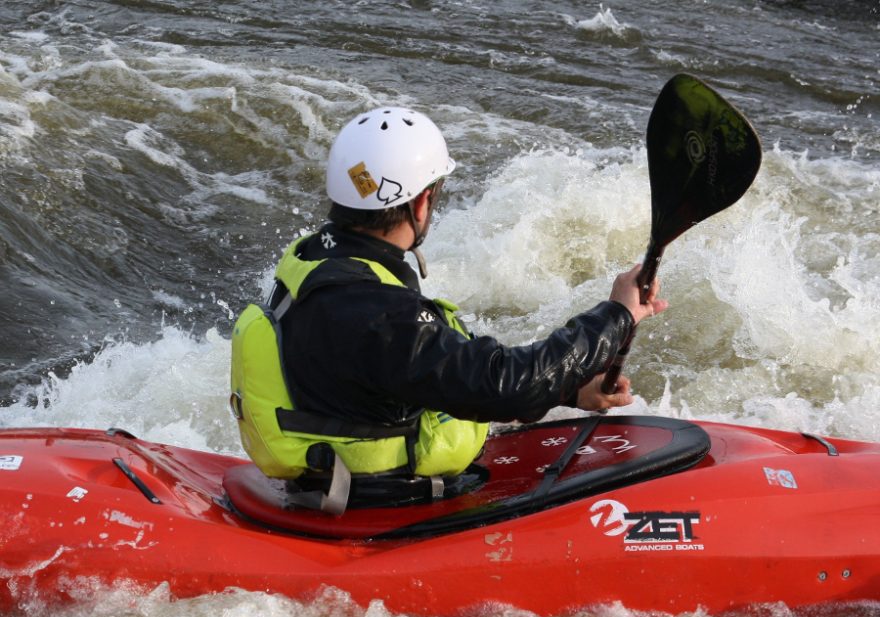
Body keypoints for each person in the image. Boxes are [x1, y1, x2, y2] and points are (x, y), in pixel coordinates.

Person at [229, 107, 667, 510]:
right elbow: (501, 385)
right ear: (421, 203)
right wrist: (617, 315)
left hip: (332, 473)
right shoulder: (377, 310)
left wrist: (568, 392)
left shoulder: (315, 259)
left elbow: (428, 374)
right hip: (377, 505)